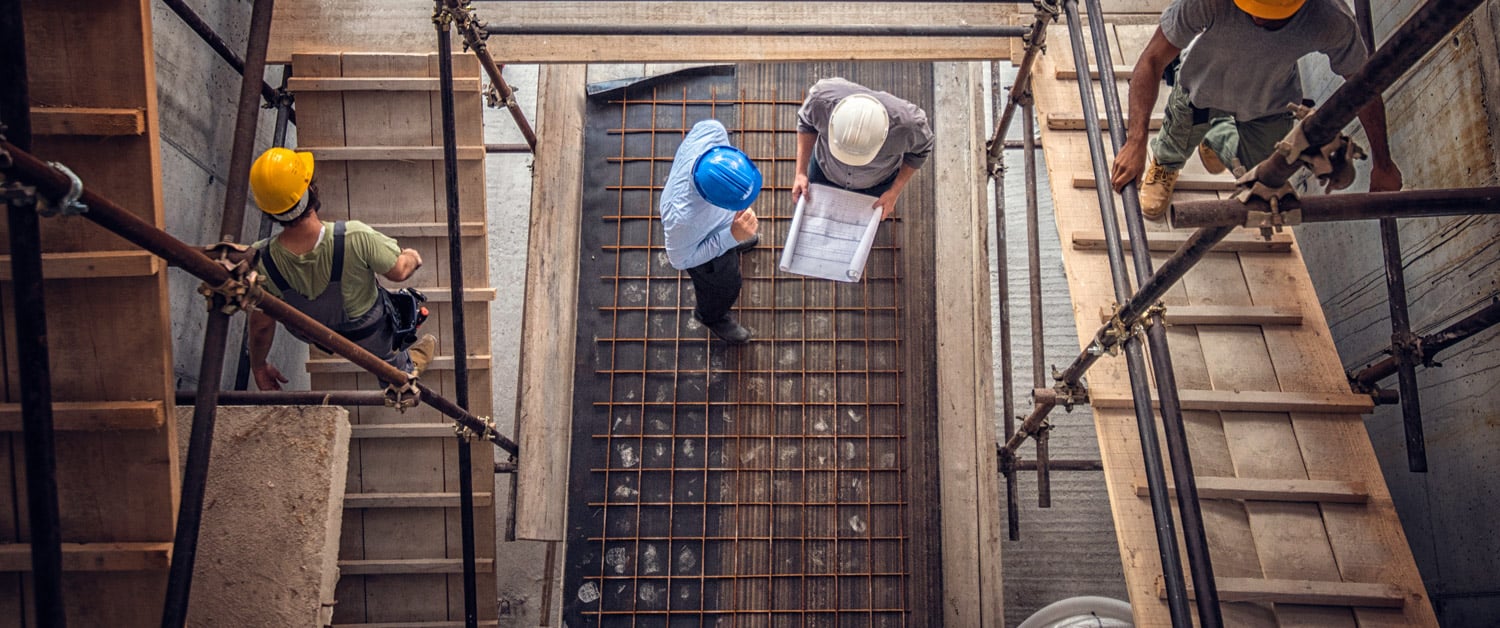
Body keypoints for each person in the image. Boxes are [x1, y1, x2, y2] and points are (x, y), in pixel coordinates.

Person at [1109, 0, 1403, 220]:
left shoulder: (1328, 18)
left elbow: (1363, 85)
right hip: (1201, 89)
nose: (1258, 18)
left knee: (1263, 172)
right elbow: (1151, 60)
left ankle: (1216, 136)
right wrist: (1136, 142)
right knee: (1177, 137)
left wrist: (1384, 162)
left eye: (1271, 14)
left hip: (1267, 103)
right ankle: (1166, 164)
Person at [245, 147, 437, 390]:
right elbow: (399, 272)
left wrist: (259, 366)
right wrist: (412, 257)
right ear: (310, 190)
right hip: (368, 334)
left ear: (268, 209)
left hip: (316, 336)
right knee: (390, 358)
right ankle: (404, 373)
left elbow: (261, 326)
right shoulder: (355, 237)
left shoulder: (260, 260)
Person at [660, 119, 763, 345]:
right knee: (726, 285)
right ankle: (711, 316)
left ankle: (735, 240)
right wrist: (730, 237)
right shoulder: (683, 221)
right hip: (700, 242)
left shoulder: (711, 132)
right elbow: (680, 259)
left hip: (718, 224)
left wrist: (733, 231)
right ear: (713, 201)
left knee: (735, 239)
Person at [793, 78, 934, 220]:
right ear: (833, 121)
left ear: (884, 136)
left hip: (876, 183)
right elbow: (806, 124)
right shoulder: (821, 101)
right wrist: (800, 173)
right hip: (823, 172)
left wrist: (894, 191)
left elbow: (921, 151)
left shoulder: (909, 126)